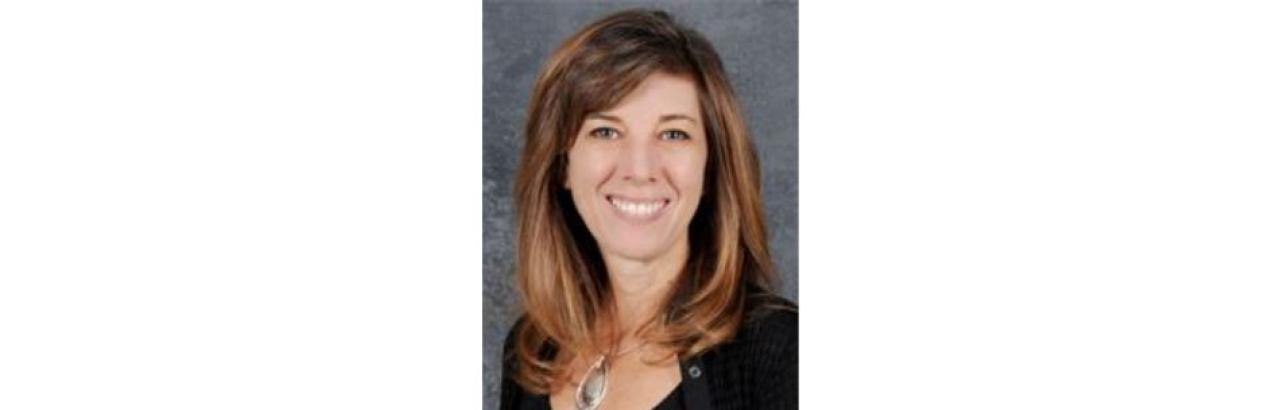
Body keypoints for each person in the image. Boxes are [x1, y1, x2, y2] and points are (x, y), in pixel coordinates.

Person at [500, 9, 797, 410]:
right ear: (562, 164)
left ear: (711, 166)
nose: (639, 170)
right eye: (605, 131)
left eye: (674, 134)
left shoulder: (781, 353)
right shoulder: (532, 352)